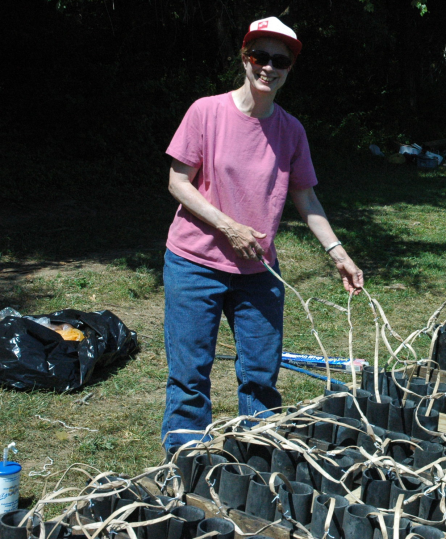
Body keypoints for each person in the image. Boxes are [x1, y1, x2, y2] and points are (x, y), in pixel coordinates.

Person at [161, 17, 364, 449]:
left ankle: (257, 462)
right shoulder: (206, 111)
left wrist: (338, 251)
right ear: (244, 57)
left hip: (259, 274)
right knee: (190, 374)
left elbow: (306, 200)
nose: (268, 67)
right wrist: (229, 226)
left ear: (290, 68)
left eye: (280, 61)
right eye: (260, 57)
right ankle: (184, 464)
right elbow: (178, 183)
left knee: (260, 376)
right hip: (194, 263)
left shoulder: (291, 130)